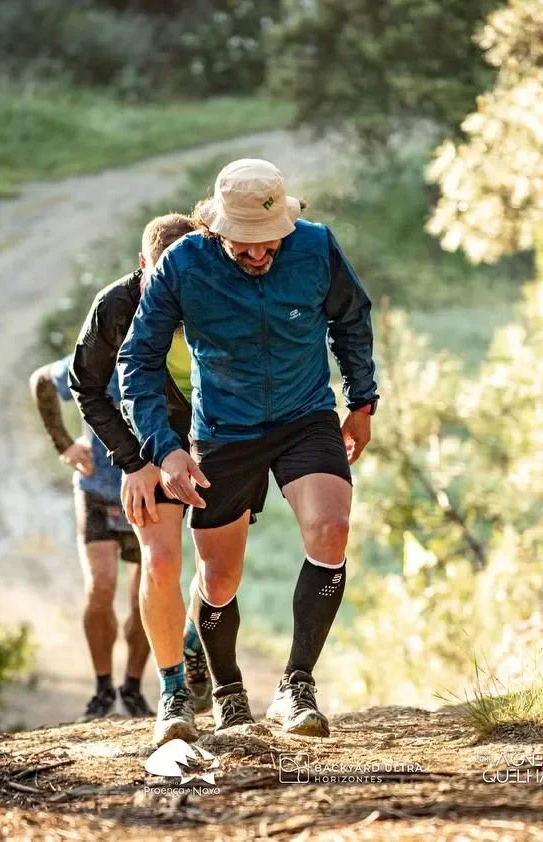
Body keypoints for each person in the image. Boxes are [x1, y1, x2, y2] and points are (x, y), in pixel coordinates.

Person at [119, 158, 378, 745]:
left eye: (270, 243)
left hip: (304, 414)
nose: (260, 254)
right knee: (219, 575)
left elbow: (351, 318)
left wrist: (361, 401)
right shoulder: (183, 265)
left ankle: (296, 686)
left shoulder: (315, 248)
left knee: (331, 529)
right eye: (245, 245)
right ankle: (230, 694)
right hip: (224, 431)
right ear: (215, 230)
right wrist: (165, 450)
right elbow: (136, 360)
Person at [67, 213, 217, 736]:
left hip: (212, 436)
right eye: (161, 275)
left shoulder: (219, 287)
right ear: (142, 265)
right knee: (158, 562)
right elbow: (82, 385)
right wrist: (133, 461)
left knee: (217, 569)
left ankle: (195, 641)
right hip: (145, 444)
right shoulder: (115, 306)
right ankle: (172, 692)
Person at [29, 353, 155, 721]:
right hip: (96, 490)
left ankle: (132, 688)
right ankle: (102, 689)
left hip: (149, 493)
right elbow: (42, 381)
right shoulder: (96, 352)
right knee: (100, 587)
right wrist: (64, 444)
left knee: (144, 597)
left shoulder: (160, 350)